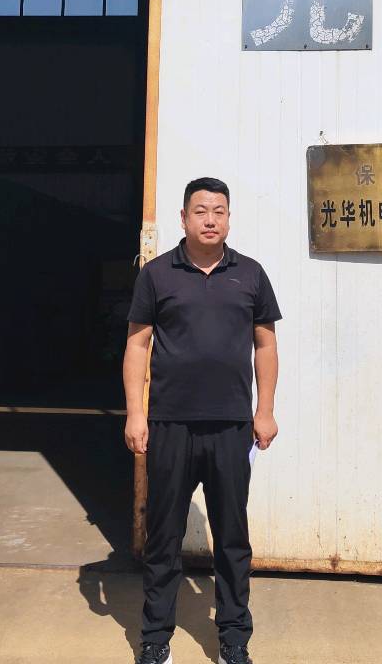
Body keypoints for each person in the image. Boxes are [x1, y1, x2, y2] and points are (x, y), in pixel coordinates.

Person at [123, 177, 281, 664]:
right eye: (200, 211)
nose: (210, 220)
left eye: (219, 211)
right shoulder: (156, 274)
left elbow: (265, 345)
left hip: (231, 426)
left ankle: (234, 638)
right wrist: (136, 413)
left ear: (229, 218)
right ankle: (155, 638)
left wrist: (265, 410)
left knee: (232, 538)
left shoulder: (250, 274)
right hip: (170, 424)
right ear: (183, 218)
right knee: (163, 537)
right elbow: (137, 345)